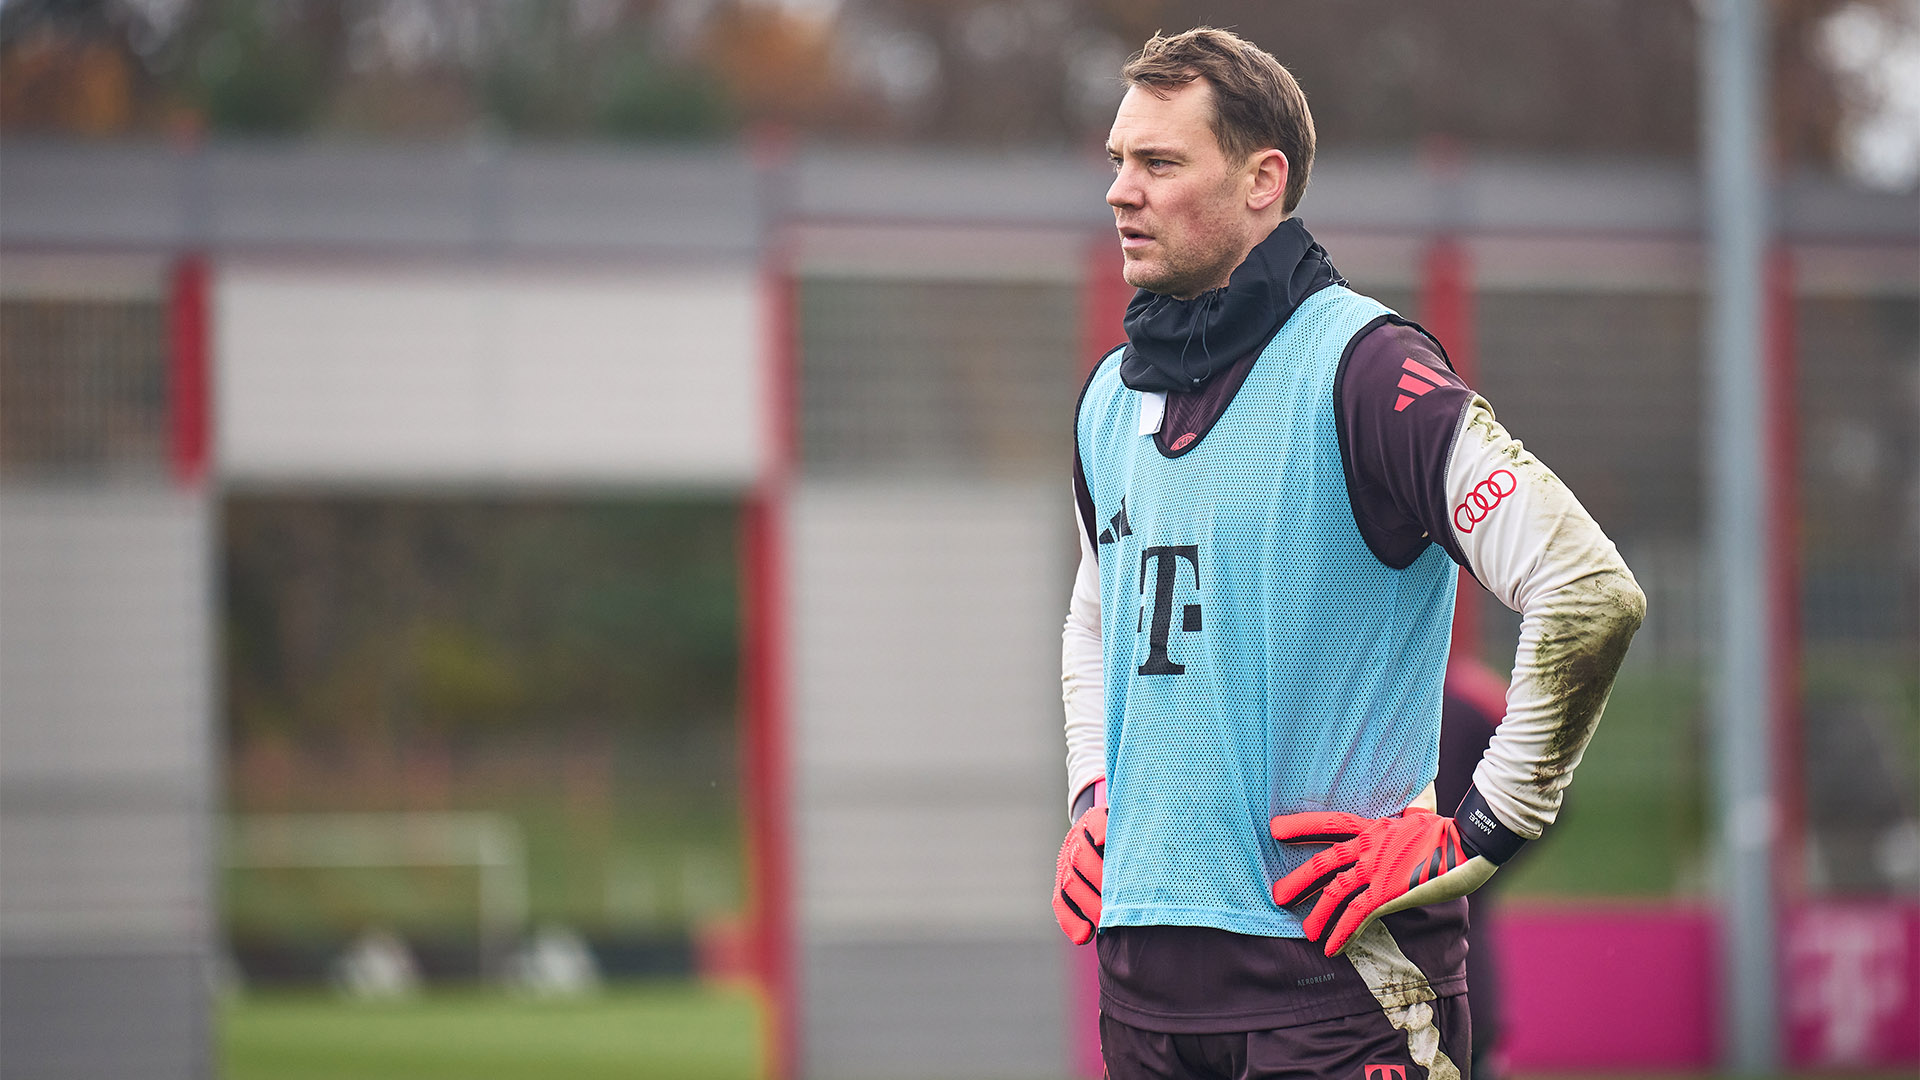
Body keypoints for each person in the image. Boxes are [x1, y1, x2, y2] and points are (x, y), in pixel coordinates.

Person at [1050, 28, 1645, 1080]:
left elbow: (1588, 590)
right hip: (1143, 996)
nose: (1120, 192)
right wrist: (1094, 796)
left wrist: (1481, 829)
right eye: (1116, 161)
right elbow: (1099, 615)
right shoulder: (1110, 398)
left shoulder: (1367, 371)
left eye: (1159, 163)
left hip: (1339, 994)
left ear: (1261, 181)